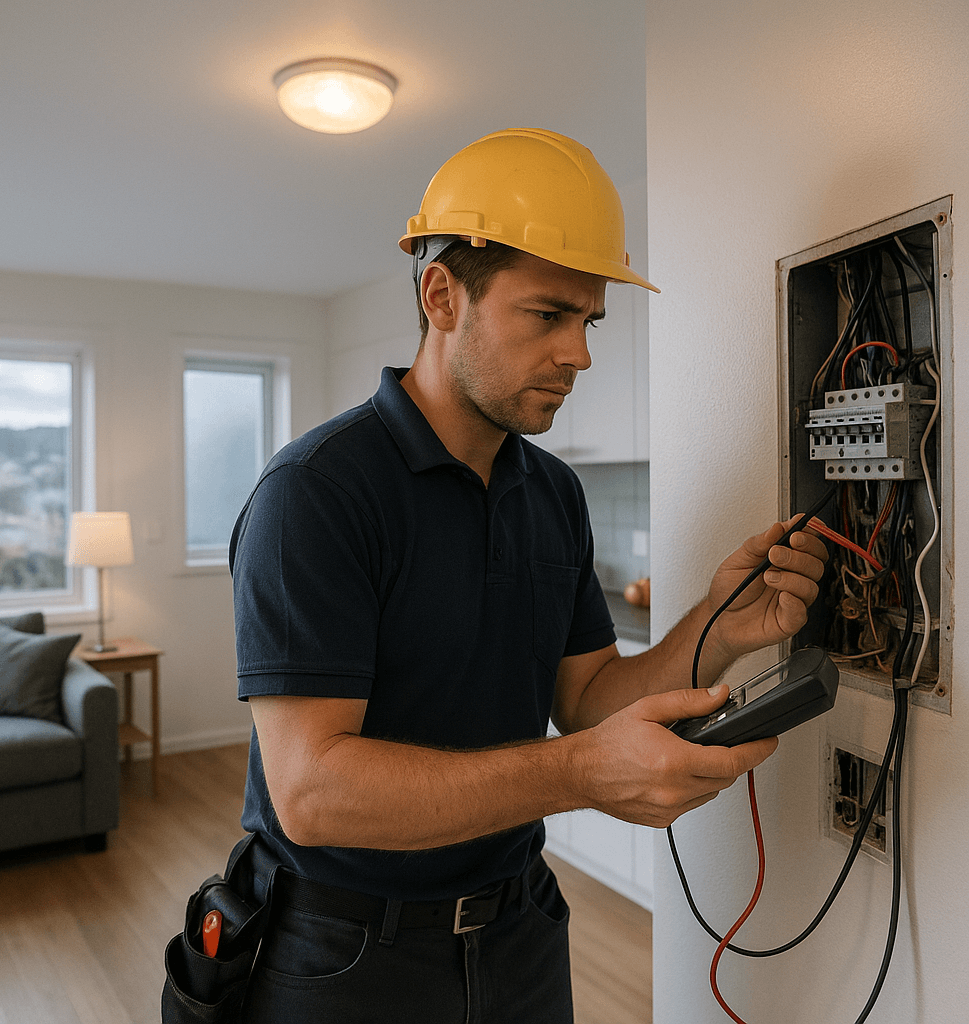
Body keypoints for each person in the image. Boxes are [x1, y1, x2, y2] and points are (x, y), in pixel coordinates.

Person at [228, 128, 828, 1023]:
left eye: (589, 321)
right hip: (345, 953)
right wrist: (580, 773)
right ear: (442, 296)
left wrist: (719, 623)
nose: (580, 353)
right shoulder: (316, 493)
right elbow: (311, 793)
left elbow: (587, 697)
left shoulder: (551, 491)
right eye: (548, 315)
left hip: (519, 932)